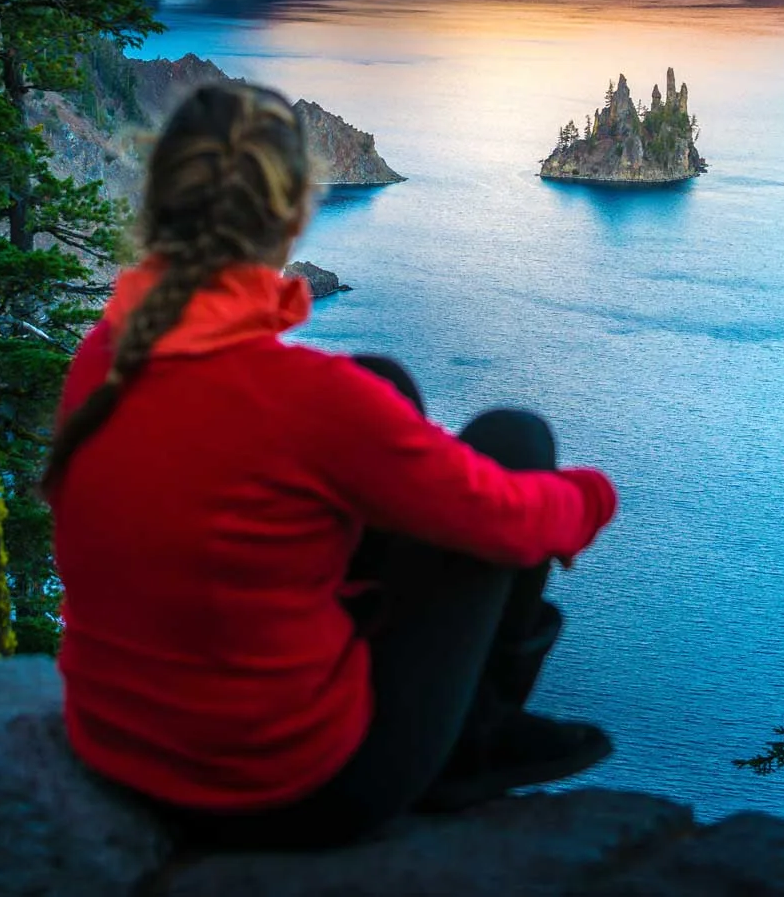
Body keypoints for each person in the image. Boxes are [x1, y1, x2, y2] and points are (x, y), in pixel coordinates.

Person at [44, 81, 618, 850]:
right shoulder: (302, 400)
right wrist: (590, 497)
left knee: (384, 383)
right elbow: (511, 521)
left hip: (113, 746)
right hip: (288, 789)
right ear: (290, 219)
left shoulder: (103, 360)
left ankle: (451, 719)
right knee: (515, 444)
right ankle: (472, 741)